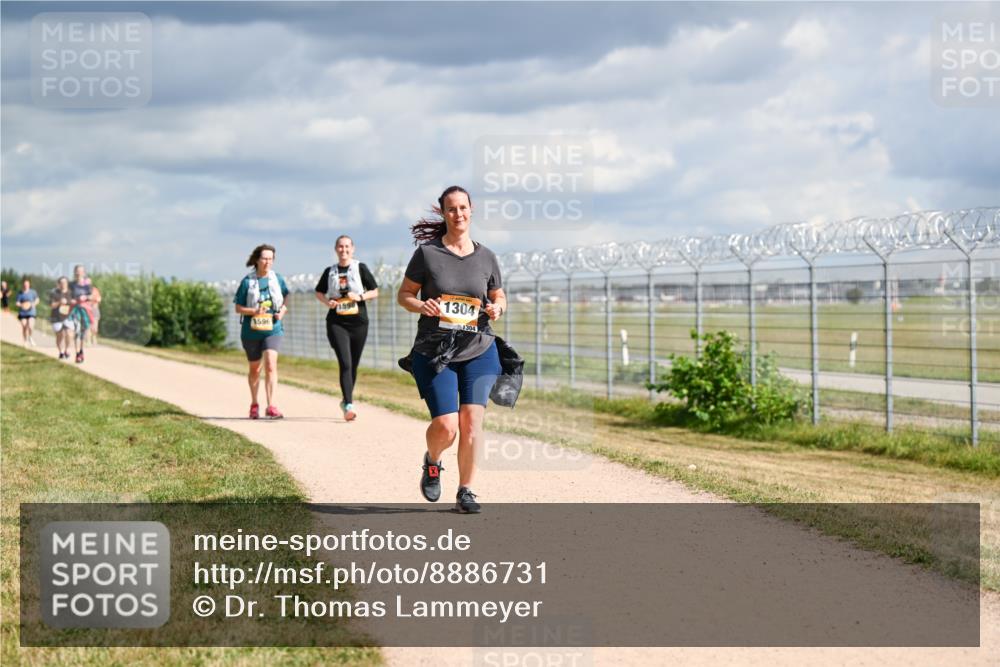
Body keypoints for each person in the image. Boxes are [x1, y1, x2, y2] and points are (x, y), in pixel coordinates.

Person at [397, 186, 508, 514]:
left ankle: (466, 491)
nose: (458, 214)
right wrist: (422, 305)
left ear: (471, 210)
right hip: (436, 352)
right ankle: (433, 461)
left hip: (479, 347)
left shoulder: (486, 256)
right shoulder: (427, 254)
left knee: (472, 423)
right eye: (451, 209)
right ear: (443, 213)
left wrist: (498, 308)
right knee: (447, 426)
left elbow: (498, 295)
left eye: (463, 207)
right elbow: (404, 295)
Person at [313, 235, 379, 421]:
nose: (344, 250)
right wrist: (328, 302)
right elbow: (319, 292)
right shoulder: (330, 271)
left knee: (353, 364)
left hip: (359, 322)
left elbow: (375, 291)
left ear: (353, 248)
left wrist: (360, 297)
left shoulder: (360, 268)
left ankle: (345, 399)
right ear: (336, 249)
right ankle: (349, 404)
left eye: (347, 246)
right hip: (337, 322)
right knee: (346, 362)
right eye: (340, 247)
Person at [233, 244, 289, 419]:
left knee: (271, 365)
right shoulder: (247, 282)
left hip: (273, 328)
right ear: (257, 260)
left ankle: (271, 405)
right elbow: (238, 308)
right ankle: (254, 403)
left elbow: (286, 297)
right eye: (264, 258)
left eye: (270, 259)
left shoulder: (277, 279)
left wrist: (282, 311)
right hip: (251, 330)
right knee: (255, 369)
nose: (267, 262)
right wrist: (254, 311)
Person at [69, 265, 95, 363]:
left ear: (83, 273)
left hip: (85, 310)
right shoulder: (71, 285)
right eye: (77, 271)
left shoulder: (87, 285)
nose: (78, 273)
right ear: (74, 272)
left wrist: (85, 297)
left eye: (80, 271)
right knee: (77, 330)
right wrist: (72, 300)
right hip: (75, 309)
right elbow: (68, 296)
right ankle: (77, 353)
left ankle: (81, 351)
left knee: (83, 332)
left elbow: (92, 296)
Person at [49, 277, 75, 360]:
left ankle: (67, 350)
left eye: (65, 282)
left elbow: (75, 303)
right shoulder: (54, 293)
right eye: (61, 283)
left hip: (68, 317)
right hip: (56, 317)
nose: (63, 284)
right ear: (59, 284)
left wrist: (72, 303)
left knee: (69, 334)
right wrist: (59, 302)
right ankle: (61, 352)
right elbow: (51, 305)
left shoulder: (71, 293)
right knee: (60, 336)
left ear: (67, 283)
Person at [15, 278, 39, 346]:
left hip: (31, 312)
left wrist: (33, 304)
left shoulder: (33, 292)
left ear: (29, 284)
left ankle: (30, 337)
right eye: (24, 284)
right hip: (23, 313)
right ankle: (25, 341)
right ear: (23, 285)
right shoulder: (20, 293)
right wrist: (22, 305)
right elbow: (17, 302)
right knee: (24, 326)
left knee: (30, 326)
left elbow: (37, 299)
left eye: (27, 284)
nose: (26, 285)